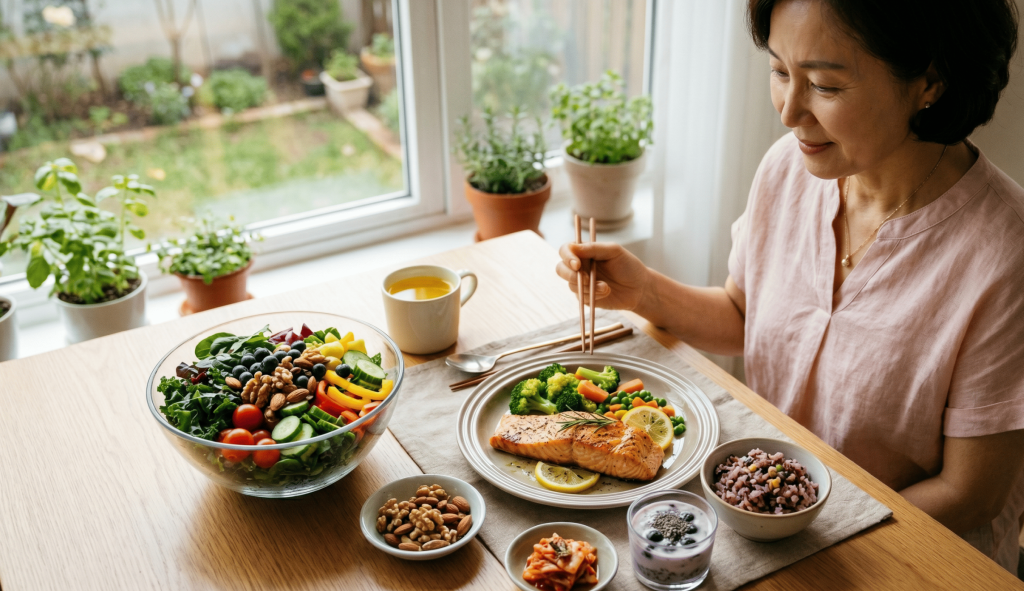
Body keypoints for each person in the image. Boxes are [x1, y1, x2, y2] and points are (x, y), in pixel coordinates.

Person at [558, 0, 1024, 573]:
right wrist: (644, 292)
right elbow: (743, 313)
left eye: (825, 85)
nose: (788, 111)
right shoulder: (790, 168)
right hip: (768, 524)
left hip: (910, 556)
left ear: (930, 81)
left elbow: (971, 492)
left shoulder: (1006, 253)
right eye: (780, 71)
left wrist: (809, 526)